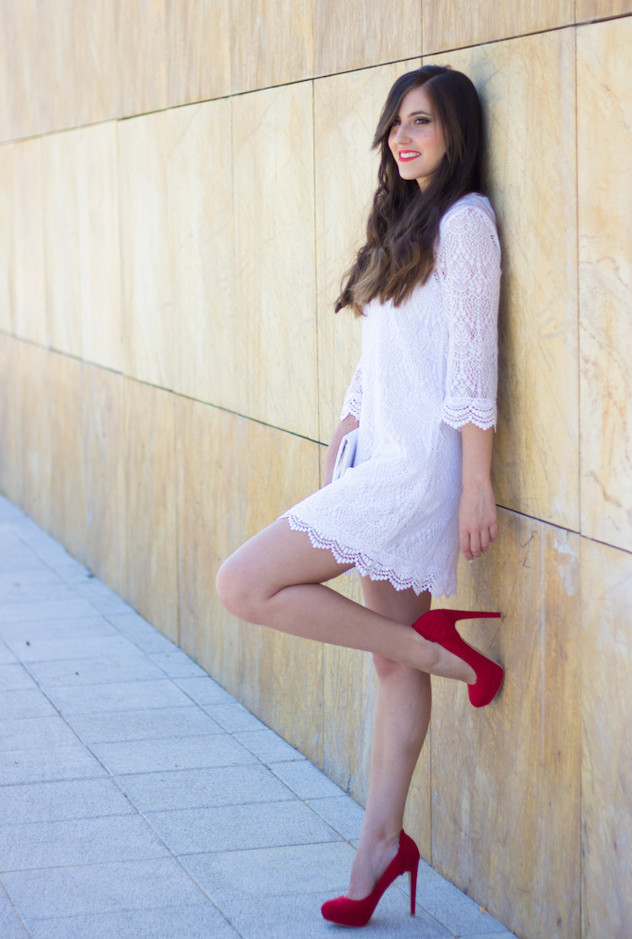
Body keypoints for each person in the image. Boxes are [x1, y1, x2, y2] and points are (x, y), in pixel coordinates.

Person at [216, 64, 502, 928]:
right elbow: (383, 354)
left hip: (417, 471)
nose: (402, 137)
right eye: (394, 125)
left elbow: (470, 362)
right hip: (373, 458)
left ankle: (444, 652)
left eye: (420, 122)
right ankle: (381, 844)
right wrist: (344, 422)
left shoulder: (467, 221)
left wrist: (476, 482)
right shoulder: (408, 220)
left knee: (246, 584)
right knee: (388, 654)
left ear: (456, 133)